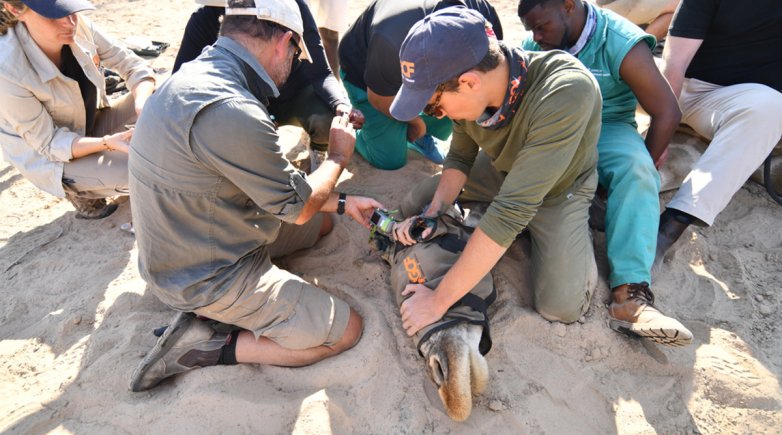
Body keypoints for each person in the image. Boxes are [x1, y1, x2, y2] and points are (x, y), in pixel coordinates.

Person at [128, 0, 382, 392]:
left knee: (324, 223)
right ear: (283, 41)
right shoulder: (233, 109)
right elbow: (297, 209)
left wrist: (345, 204)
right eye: (297, 53)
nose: (294, 63)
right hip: (203, 274)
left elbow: (270, 188)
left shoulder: (202, 73)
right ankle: (211, 345)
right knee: (345, 331)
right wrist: (337, 156)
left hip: (190, 234)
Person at [388, 7, 602, 341]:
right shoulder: (474, 90)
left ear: (469, 82)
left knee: (560, 308)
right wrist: (433, 214)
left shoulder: (566, 90)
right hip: (502, 170)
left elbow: (509, 212)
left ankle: (583, 224)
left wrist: (438, 301)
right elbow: (460, 155)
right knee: (415, 202)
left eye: (433, 105)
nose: (438, 115)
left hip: (559, 191)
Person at [519, 0, 691, 346]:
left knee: (638, 172)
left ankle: (628, 297)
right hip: (554, 126)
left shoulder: (619, 41)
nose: (536, 37)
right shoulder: (536, 45)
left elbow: (667, 112)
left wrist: (632, 173)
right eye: (530, 30)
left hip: (607, 126)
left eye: (541, 27)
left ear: (568, 6)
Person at [0, 0, 155, 218]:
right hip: (56, 157)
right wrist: (107, 143)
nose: (70, 22)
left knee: (165, 97)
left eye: (71, 9)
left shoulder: (76, 23)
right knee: (143, 169)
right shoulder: (6, 68)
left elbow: (133, 66)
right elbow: (50, 143)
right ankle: (81, 191)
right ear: (15, 9)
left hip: (89, 123)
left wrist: (142, 105)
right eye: (54, 16)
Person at [656, 0, 782, 261]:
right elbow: (675, 63)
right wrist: (661, 134)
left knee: (771, 107)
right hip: (683, 87)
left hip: (743, 99)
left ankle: (672, 224)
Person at [171, 0, 363, 151]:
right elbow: (181, 83)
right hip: (238, 105)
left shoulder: (292, 6)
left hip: (290, 95)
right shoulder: (207, 16)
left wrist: (341, 104)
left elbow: (321, 72)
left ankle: (317, 152)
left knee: (328, 121)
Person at [338, 0, 503, 170]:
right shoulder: (392, 42)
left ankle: (414, 124)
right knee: (389, 160)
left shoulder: (484, 17)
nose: (438, 114)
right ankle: (348, 130)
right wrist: (416, 123)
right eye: (433, 109)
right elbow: (378, 99)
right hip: (366, 77)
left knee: (457, 110)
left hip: (411, 70)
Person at [592, 0, 679, 41]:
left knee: (674, 13)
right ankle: (638, 47)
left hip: (603, 9)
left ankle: (640, 46)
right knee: (680, 7)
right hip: (609, 7)